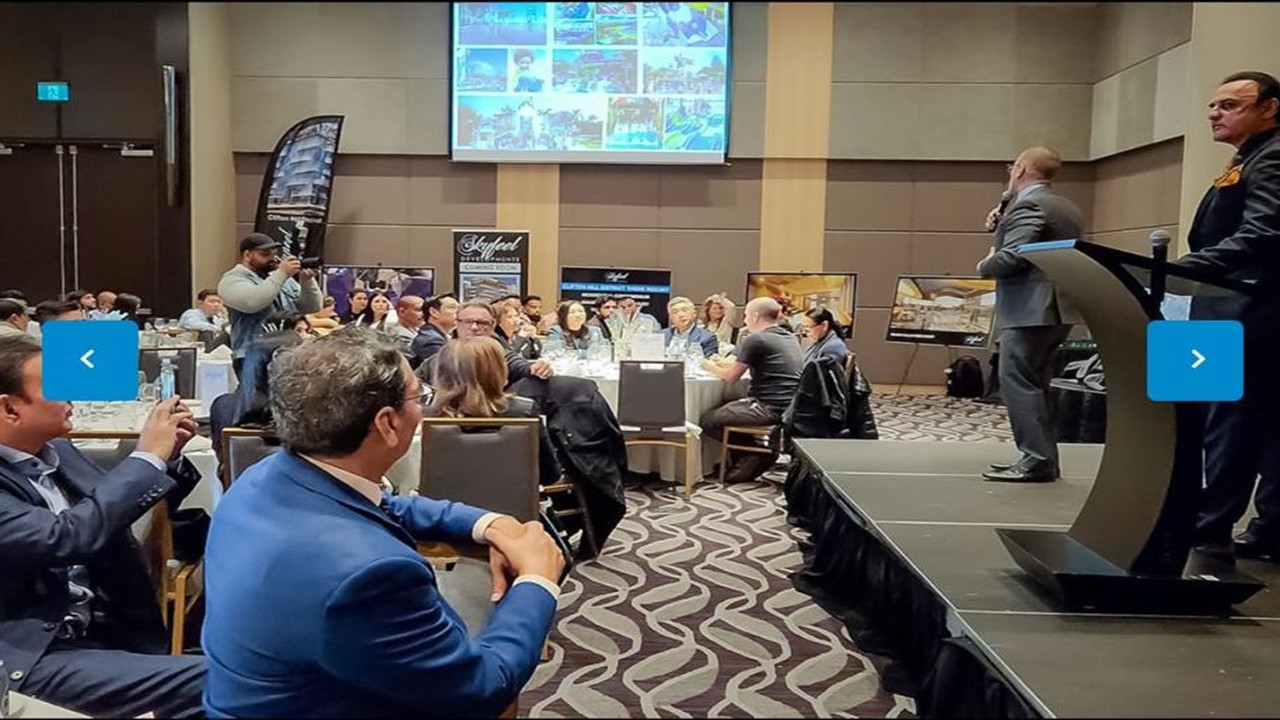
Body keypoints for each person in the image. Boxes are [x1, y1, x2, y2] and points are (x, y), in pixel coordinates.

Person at [200, 327, 565, 718]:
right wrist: (536, 578)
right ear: (387, 423)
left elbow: (388, 505)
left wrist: (490, 524)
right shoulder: (369, 576)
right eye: (420, 397)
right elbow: (480, 689)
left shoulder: (262, 478)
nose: (424, 407)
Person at [0, 335, 207, 718]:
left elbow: (113, 512)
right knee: (228, 681)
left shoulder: (57, 452)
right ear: (10, 408)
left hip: (106, 632)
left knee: (256, 667)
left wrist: (167, 457)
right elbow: (66, 537)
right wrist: (147, 458)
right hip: (30, 655)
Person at [1173, 71, 1280, 558]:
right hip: (1232, 307)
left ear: (1269, 108)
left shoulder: (1272, 156)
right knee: (1260, 423)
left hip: (1245, 308)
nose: (1215, 113)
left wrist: (1186, 268)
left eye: (1231, 104)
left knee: (1230, 422)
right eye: (1213, 105)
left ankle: (1210, 524)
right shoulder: (1250, 157)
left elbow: (1265, 232)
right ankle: (1269, 529)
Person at [977, 146, 1083, 484]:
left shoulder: (1030, 205)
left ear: (1021, 169)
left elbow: (1012, 258)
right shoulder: (1065, 206)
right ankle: (1042, 458)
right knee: (1037, 385)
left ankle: (1036, 460)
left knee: (1018, 382)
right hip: (1055, 309)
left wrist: (984, 264)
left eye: (1012, 168)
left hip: (1031, 309)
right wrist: (1003, 222)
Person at [428, 337, 562, 487]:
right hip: (513, 500)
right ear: (496, 371)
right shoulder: (523, 411)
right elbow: (550, 476)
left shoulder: (430, 418)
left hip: (445, 501)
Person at [699, 297, 803, 483]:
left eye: (746, 315)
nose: (745, 320)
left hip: (768, 407)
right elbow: (741, 364)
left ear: (755, 316)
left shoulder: (756, 339)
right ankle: (752, 455)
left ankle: (754, 454)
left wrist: (706, 365)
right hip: (792, 406)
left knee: (707, 420)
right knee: (727, 407)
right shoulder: (788, 337)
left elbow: (730, 376)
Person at [217, 233, 322, 378]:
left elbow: (312, 307)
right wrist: (281, 273)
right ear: (247, 255)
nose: (272, 259)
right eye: (265, 254)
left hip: (288, 352)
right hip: (252, 356)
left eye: (274, 254)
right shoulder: (232, 280)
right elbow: (252, 302)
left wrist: (307, 281)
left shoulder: (281, 278)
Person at [419, 301, 553, 387]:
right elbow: (415, 384)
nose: (474, 327)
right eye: (467, 321)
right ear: (457, 324)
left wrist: (533, 367)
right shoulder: (439, 357)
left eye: (482, 323)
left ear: (492, 326)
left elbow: (514, 361)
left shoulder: (498, 351)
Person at [410, 293, 460, 368]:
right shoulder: (431, 340)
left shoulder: (434, 336)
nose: (459, 312)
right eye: (452, 307)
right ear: (433, 312)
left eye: (459, 308)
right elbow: (445, 371)